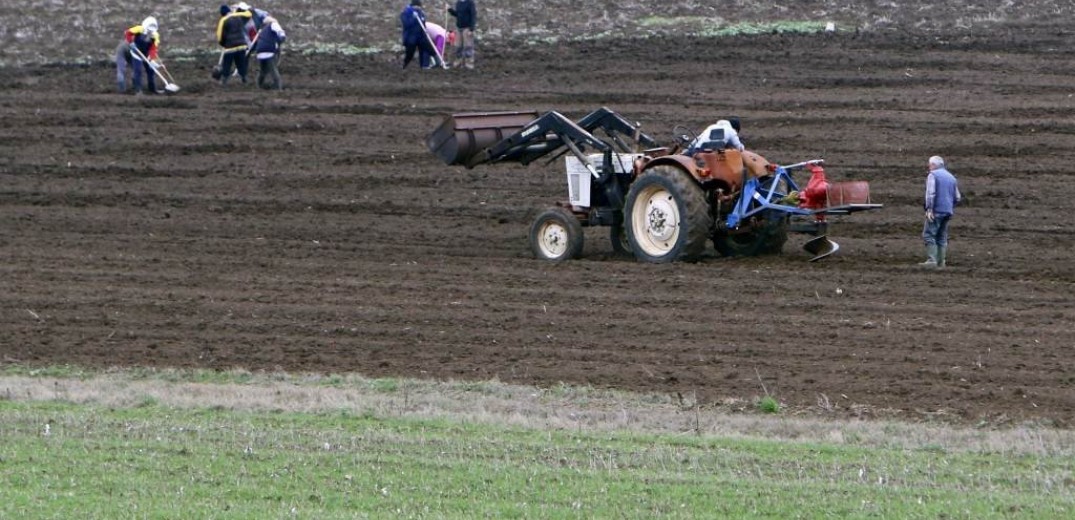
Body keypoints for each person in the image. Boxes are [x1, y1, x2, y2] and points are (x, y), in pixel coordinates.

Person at [920, 155, 961, 268]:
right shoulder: (952, 177)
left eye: (929, 164)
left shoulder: (933, 175)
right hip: (947, 211)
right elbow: (957, 197)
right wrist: (949, 206)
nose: (928, 166)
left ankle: (932, 260)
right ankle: (941, 262)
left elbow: (931, 194)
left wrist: (929, 209)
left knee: (929, 234)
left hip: (936, 210)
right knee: (942, 236)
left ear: (933, 165)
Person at [115, 16, 160, 94]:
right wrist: (131, 42)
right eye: (148, 30)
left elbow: (153, 48)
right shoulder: (139, 29)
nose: (149, 33)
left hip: (146, 54)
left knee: (151, 71)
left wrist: (152, 58)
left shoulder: (155, 36)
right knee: (137, 71)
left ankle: (152, 89)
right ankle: (137, 90)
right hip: (136, 53)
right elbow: (128, 33)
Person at [216, 4, 253, 85]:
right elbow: (248, 14)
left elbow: (219, 35)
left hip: (230, 47)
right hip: (241, 45)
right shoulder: (238, 17)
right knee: (241, 63)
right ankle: (244, 79)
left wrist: (223, 44)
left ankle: (224, 81)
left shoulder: (223, 20)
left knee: (227, 64)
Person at [400, 0, 439, 69]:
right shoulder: (405, 13)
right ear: (413, 6)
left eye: (419, 7)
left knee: (428, 48)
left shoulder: (420, 13)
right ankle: (404, 65)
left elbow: (423, 24)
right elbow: (406, 24)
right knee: (410, 54)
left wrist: (425, 32)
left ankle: (434, 63)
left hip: (421, 36)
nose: (418, 8)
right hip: (410, 37)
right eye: (417, 6)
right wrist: (413, 18)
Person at [253, 15, 286, 90]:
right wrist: (280, 41)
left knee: (263, 70)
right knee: (273, 69)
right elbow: (281, 34)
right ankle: (278, 87)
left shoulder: (262, 29)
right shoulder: (274, 24)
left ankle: (259, 85)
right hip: (269, 50)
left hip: (260, 51)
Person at [447, 0, 477, 69]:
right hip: (459, 27)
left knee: (468, 46)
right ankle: (458, 62)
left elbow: (473, 15)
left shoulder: (470, 3)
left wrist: (471, 29)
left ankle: (469, 63)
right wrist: (450, 10)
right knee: (458, 46)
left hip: (467, 27)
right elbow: (457, 14)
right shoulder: (458, 3)